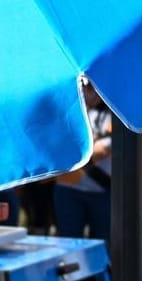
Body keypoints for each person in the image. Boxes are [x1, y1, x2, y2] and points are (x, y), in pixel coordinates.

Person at [55, 81, 113, 241]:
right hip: (68, 188)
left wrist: (79, 148)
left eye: (92, 86)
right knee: (69, 245)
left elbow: (103, 150)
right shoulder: (67, 110)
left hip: (102, 189)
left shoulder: (113, 113)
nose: (88, 91)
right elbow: (57, 145)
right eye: (84, 85)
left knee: (102, 247)